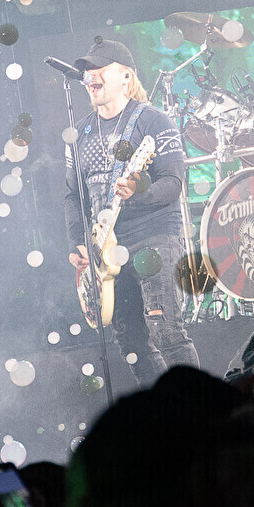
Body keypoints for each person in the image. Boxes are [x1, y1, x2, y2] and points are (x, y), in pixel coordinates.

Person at [53, 34, 200, 383]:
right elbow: (73, 196)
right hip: (106, 249)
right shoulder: (79, 133)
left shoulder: (154, 121)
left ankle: (201, 407)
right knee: (131, 342)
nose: (92, 75)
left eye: (100, 68)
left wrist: (139, 191)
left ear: (126, 76)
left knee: (166, 331)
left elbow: (173, 183)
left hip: (153, 236)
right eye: (88, 70)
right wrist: (78, 241)